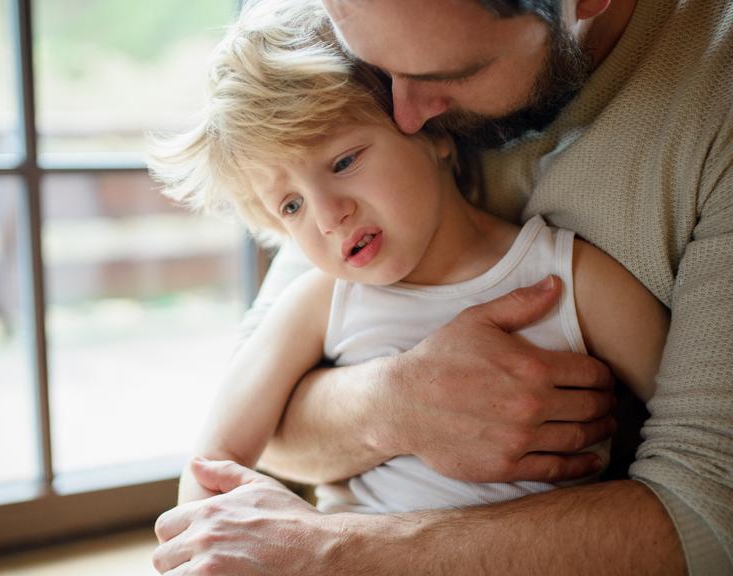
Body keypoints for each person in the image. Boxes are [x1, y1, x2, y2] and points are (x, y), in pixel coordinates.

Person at [152, 0, 733, 574]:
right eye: (290, 206)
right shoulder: (321, 296)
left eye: (345, 161)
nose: (327, 217)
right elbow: (220, 459)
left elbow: (698, 461)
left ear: (436, 138)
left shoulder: (570, 278)